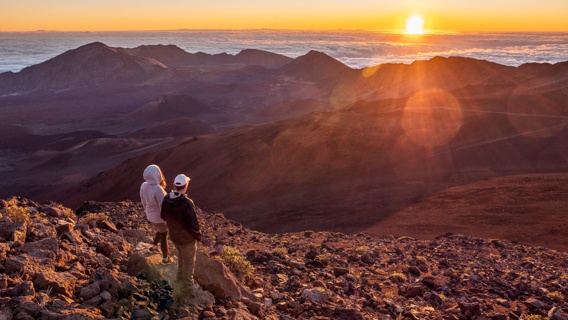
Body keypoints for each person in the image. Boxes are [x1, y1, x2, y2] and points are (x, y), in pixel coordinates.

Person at [160, 173, 202, 296]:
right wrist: (198, 236)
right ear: (185, 186)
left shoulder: (167, 198)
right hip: (186, 239)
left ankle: (179, 279)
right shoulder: (187, 203)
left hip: (174, 237)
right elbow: (193, 224)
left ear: (174, 185)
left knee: (181, 258)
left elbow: (163, 216)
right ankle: (187, 288)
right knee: (188, 261)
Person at [140, 164, 172, 265]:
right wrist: (168, 219)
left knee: (160, 229)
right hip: (159, 218)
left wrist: (147, 211)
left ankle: (153, 247)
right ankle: (165, 259)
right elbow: (163, 208)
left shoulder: (144, 185)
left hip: (150, 216)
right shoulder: (159, 190)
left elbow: (143, 200)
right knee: (164, 236)